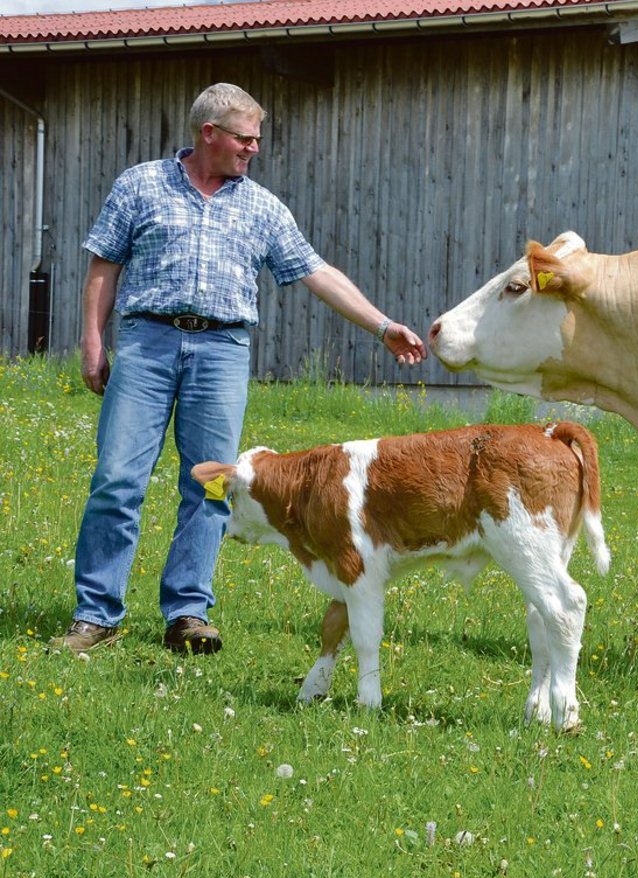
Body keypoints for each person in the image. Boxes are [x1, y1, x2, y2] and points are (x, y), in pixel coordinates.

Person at [53, 82, 425, 655]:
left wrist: (381, 326)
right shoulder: (140, 184)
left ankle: (187, 613)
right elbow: (105, 266)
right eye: (244, 139)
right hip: (147, 343)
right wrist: (93, 341)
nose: (253, 149)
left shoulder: (261, 205)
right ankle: (96, 616)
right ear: (209, 134)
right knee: (118, 480)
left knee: (211, 485)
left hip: (221, 351)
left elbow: (315, 271)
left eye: (256, 140)